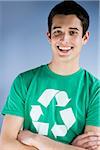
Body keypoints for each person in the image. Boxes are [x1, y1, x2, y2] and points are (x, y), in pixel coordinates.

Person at [0, 1, 100, 150]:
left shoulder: (95, 90)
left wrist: (37, 139)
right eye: (57, 32)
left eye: (73, 32)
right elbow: (6, 144)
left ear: (85, 38)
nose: (64, 39)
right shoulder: (24, 82)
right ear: (49, 36)